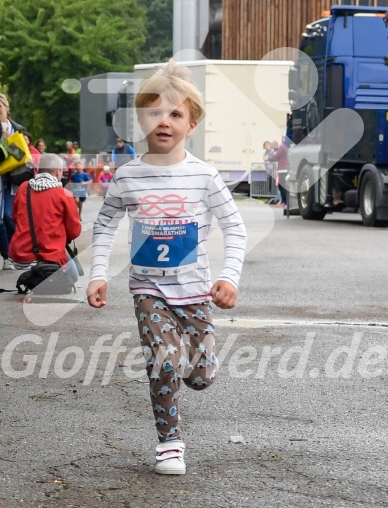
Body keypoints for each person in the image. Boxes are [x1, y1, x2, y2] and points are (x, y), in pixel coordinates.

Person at [87, 60, 247, 476]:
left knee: (199, 377)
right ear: (141, 119)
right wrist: (98, 273)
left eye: (175, 114)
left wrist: (228, 277)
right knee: (165, 362)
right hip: (149, 290)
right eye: (155, 112)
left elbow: (235, 228)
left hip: (196, 294)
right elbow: (103, 226)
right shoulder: (127, 176)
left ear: (191, 124)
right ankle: (170, 442)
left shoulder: (205, 177)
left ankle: (198, 368)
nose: (164, 121)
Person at [8, 153, 81, 282]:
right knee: (74, 276)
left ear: (38, 169)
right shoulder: (64, 194)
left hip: (20, 257)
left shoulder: (23, 188)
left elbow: (15, 218)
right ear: (58, 171)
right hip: (51, 256)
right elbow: (74, 231)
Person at [0, 94, 26, 243]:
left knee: (9, 215)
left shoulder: (17, 129)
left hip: (13, 178)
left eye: (0, 106)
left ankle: (19, 248)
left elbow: (22, 154)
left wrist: (7, 139)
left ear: (6, 107)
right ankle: (7, 254)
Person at [271, 134, 288, 207]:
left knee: (281, 187)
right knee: (282, 186)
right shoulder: (286, 147)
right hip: (284, 169)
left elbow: (276, 156)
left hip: (282, 169)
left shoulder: (282, 147)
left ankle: (284, 202)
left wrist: (269, 158)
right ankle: (284, 201)